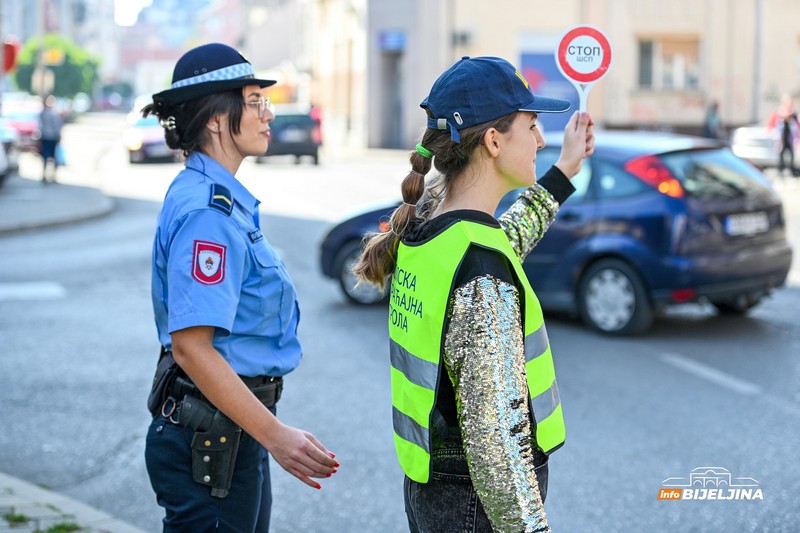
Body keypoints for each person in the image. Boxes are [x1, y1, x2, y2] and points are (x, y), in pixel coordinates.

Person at [354, 56, 594, 532]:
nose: (542, 140)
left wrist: (564, 171)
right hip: (474, 506)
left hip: (433, 489)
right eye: (532, 126)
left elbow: (505, 239)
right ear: (493, 140)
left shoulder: (430, 226)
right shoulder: (481, 274)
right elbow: (498, 448)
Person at [142, 43, 338, 532]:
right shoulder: (209, 214)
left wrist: (264, 433)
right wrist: (276, 436)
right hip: (211, 436)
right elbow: (191, 347)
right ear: (215, 119)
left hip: (230, 426)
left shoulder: (218, 198)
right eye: (253, 102)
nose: (266, 114)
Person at [766, 93, 800, 177]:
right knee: (780, 156)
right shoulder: (778, 112)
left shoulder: (793, 114)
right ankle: (780, 173)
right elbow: (771, 124)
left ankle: (791, 172)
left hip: (790, 138)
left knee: (791, 156)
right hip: (781, 138)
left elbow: (797, 126)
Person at [38, 94, 63, 183]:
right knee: (53, 157)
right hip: (51, 137)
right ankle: (52, 176)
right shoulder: (53, 114)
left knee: (46, 157)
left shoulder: (43, 113)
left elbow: (39, 126)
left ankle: (45, 175)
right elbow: (57, 126)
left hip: (45, 137)